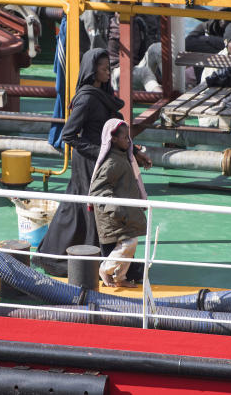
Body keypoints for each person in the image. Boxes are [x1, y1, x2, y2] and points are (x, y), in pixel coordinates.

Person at [36, 49, 151, 277]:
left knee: (89, 208)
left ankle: (101, 258)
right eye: (103, 67)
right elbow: (69, 135)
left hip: (104, 161)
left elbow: (114, 131)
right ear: (92, 70)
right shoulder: (87, 98)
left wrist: (134, 151)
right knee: (90, 208)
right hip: (89, 162)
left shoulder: (104, 95)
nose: (108, 71)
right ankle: (78, 258)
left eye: (109, 67)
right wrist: (101, 152)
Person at [89, 119, 147, 288]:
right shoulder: (113, 162)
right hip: (114, 216)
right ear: (113, 139)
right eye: (126, 138)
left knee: (130, 244)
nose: (129, 141)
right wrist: (118, 210)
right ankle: (105, 269)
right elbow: (98, 190)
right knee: (129, 243)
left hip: (122, 214)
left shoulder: (121, 158)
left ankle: (119, 277)